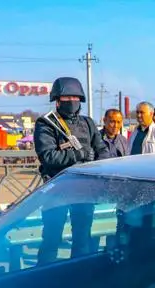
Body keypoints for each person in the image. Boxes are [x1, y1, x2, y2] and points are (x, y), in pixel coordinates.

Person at [33, 76, 109, 264]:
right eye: (66, 99)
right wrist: (79, 155)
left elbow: (102, 150)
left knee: (82, 239)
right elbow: (48, 157)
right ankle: (43, 279)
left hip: (83, 191)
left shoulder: (88, 123)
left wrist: (98, 165)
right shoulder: (46, 124)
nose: (71, 102)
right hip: (56, 191)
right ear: (57, 101)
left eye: (75, 98)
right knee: (52, 239)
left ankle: (78, 277)